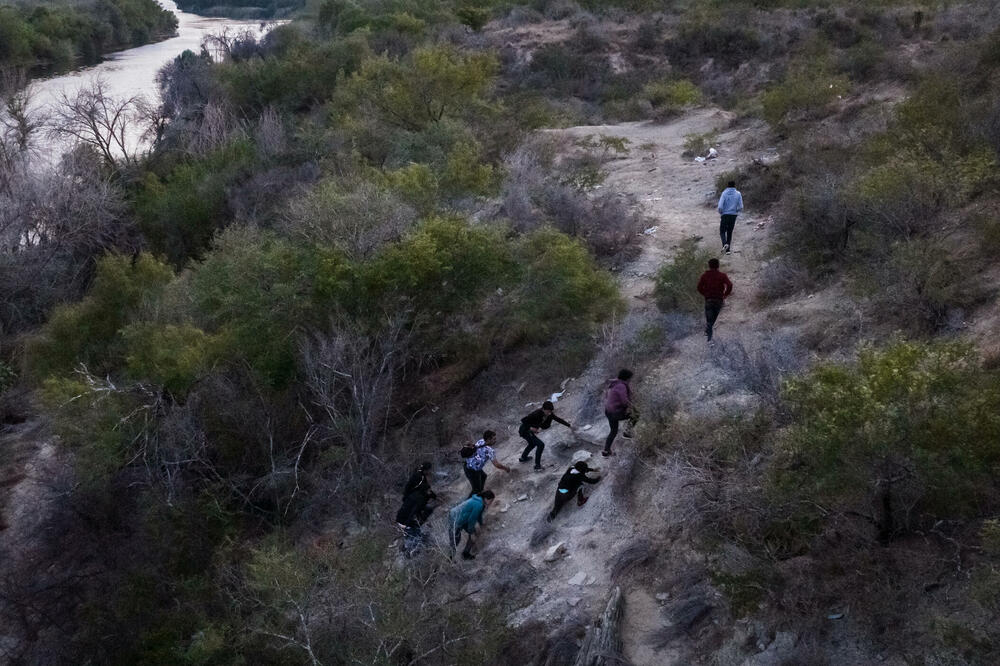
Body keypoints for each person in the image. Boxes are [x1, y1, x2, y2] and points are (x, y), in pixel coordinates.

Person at [518, 400, 572, 471]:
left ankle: (523, 458)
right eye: (548, 411)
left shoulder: (549, 414)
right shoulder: (537, 413)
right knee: (540, 445)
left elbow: (558, 419)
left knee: (532, 444)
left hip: (529, 430)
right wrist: (531, 428)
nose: (549, 413)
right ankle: (537, 466)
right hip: (525, 430)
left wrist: (569, 425)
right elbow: (523, 420)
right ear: (543, 409)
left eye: (550, 411)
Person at [449, 490, 495, 560]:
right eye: (491, 501)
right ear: (486, 498)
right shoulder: (479, 504)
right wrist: (471, 532)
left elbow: (478, 515)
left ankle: (465, 554)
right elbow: (472, 520)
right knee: (456, 541)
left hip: (461, 518)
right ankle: (450, 559)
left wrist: (481, 523)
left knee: (474, 534)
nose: (491, 503)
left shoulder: (480, 501)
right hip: (456, 519)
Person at [696, 258, 733, 345]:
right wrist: (725, 294)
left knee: (709, 320)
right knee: (713, 320)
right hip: (719, 300)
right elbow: (730, 285)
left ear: (709, 265)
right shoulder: (722, 275)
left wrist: (705, 294)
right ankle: (709, 338)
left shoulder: (705, 276)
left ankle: (709, 340)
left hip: (709, 300)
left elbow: (699, 287)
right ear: (718, 265)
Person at [463, 430, 511, 495]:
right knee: (475, 490)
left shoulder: (481, 441)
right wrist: (506, 468)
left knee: (483, 476)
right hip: (471, 470)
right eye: (494, 439)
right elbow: (496, 464)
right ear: (488, 439)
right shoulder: (490, 450)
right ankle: (469, 502)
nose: (495, 440)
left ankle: (480, 491)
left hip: (470, 465)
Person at [395, 484, 437, 557]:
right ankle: (409, 553)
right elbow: (413, 512)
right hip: (405, 521)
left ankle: (405, 548)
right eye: (428, 491)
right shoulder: (420, 499)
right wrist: (406, 524)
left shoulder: (415, 494)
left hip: (400, 517)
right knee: (416, 536)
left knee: (413, 534)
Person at [603, 369, 635, 457]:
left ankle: (606, 452)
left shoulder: (613, 384)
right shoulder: (621, 386)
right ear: (627, 378)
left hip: (608, 411)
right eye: (630, 379)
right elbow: (624, 401)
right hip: (615, 412)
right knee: (636, 414)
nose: (630, 380)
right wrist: (632, 407)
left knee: (613, 431)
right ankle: (627, 432)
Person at [717, 180, 744, 254]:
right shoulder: (738, 194)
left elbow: (720, 206)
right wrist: (736, 210)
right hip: (733, 215)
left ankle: (725, 244)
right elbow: (741, 206)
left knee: (722, 231)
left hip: (725, 215)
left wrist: (721, 212)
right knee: (729, 232)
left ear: (727, 186)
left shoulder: (724, 193)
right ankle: (728, 250)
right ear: (734, 186)